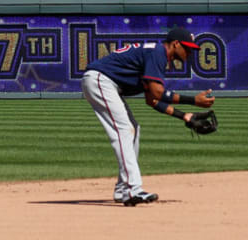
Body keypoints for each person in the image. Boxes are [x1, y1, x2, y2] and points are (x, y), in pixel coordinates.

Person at [81, 26, 213, 205]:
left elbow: (152, 100)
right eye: (187, 48)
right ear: (175, 44)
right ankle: (131, 189)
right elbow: (158, 93)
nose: (190, 52)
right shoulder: (158, 53)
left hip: (103, 82)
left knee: (133, 129)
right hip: (100, 80)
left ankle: (123, 189)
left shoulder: (156, 56)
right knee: (124, 130)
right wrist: (193, 100)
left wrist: (184, 116)